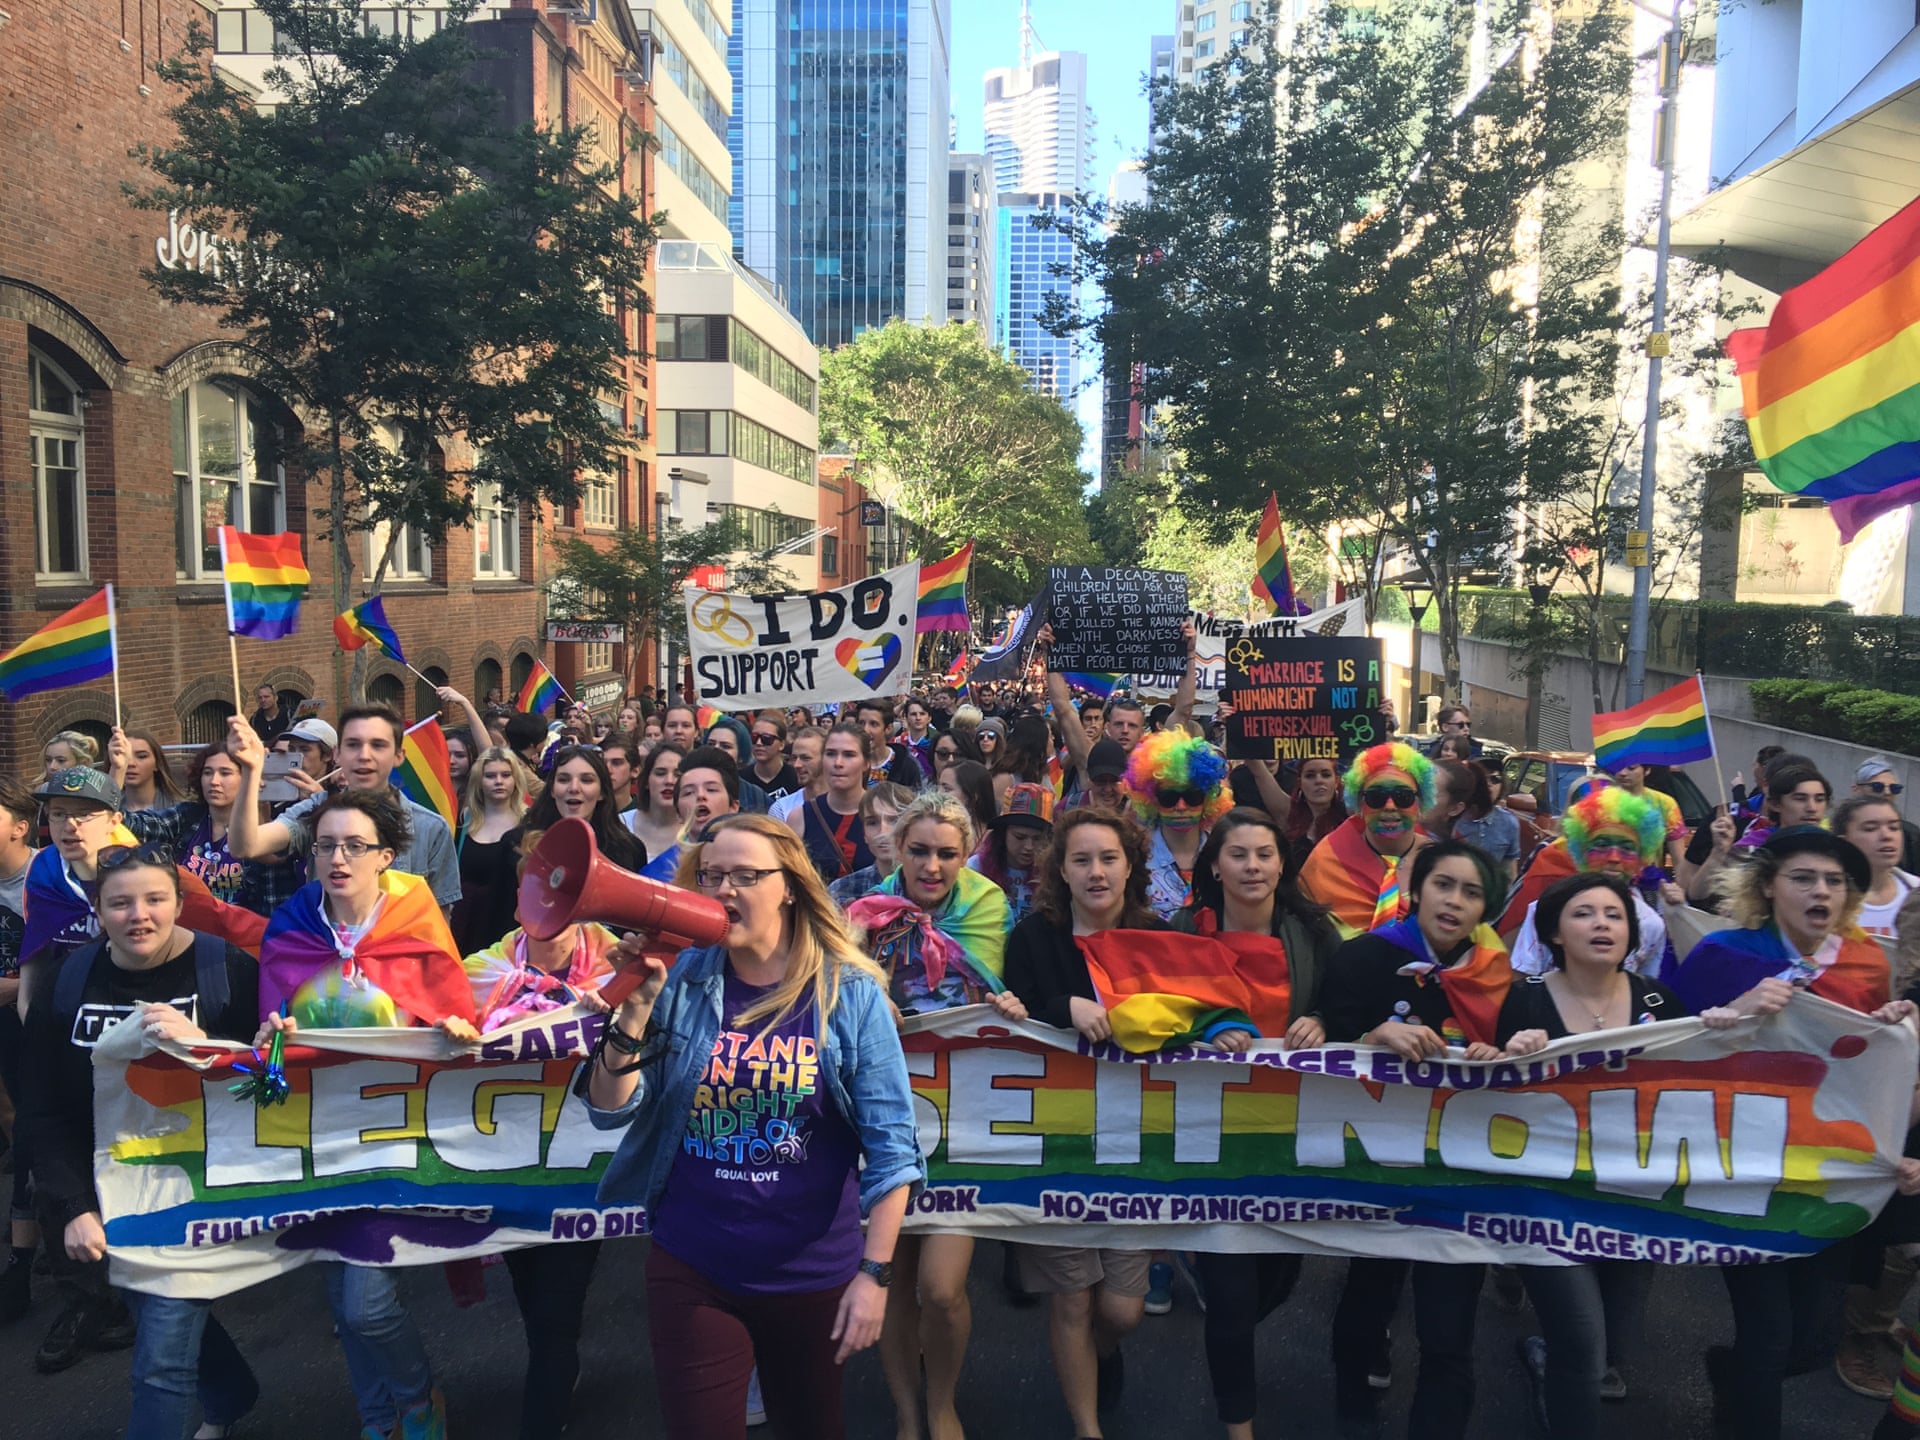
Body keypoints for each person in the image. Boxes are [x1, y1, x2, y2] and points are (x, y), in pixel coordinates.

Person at [581, 814, 924, 1440]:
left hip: (811, 1274)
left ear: (789, 884)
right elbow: (609, 1106)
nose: (723, 889)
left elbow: (893, 1148)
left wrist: (875, 1275)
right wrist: (632, 1012)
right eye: (712, 876)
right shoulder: (684, 978)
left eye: (746, 875)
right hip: (694, 1261)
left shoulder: (849, 995)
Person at [1498, 872, 1783, 1440]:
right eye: (1584, 913)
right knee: (1584, 1340)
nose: (1601, 924)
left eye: (1615, 914)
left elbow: (1702, 1075)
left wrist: (1729, 1020)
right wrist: (1511, 1055)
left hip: (1634, 1198)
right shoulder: (1523, 998)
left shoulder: (1659, 1000)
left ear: (1633, 932)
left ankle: (1544, 1355)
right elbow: (1486, 1098)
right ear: (1554, 930)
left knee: (1614, 1348)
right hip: (1547, 1200)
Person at [255, 790, 473, 1439]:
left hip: (399, 1132)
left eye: (354, 845)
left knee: (368, 1305)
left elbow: (449, 1003)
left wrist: (453, 1026)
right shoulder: (291, 925)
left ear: (385, 855)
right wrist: (275, 1035)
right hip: (319, 1134)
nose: (338, 857)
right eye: (326, 845)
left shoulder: (415, 915)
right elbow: (267, 1045)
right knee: (338, 1290)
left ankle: (416, 1399)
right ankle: (376, 1416)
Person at [15, 845, 262, 1402]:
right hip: (110, 1186)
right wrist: (74, 1205)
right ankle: (231, 1398)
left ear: (180, 903)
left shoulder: (228, 971)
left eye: (155, 899)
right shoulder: (67, 982)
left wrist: (212, 1052)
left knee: (160, 1356)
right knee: (156, 1311)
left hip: (201, 1182)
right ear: (98, 912)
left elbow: (275, 1086)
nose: (139, 915)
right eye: (120, 903)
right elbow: (43, 1107)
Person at [1668, 825, 1891, 1440]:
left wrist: (1899, 1024)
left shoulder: (1867, 963)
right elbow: (1658, 1047)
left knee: (1813, 1344)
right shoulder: (1725, 956)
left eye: (1834, 881)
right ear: (1768, 886)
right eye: (1803, 877)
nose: (1821, 890)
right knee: (1768, 1339)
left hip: (1829, 1176)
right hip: (1744, 1172)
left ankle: (1733, 1373)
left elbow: (1879, 1071)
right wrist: (1733, 1013)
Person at [1318, 840, 1511, 1436]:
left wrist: (1507, 1050)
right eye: (1444, 885)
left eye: (1472, 892)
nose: (1455, 901)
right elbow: (1320, 1032)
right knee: (1369, 1293)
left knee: (1449, 1330)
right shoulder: (1363, 958)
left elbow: (1530, 1047)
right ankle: (1353, 1397)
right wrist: (1372, 1033)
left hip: (1460, 1173)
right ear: (1418, 891)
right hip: (1376, 1162)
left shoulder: (1499, 977)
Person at [842, 793, 1009, 1440]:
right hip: (881, 1115)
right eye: (919, 850)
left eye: (946, 853)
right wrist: (865, 992)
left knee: (941, 1290)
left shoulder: (989, 905)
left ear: (966, 855)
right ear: (896, 849)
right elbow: (836, 986)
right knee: (896, 1277)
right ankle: (910, 1413)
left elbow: (985, 983)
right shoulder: (859, 910)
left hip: (963, 1112)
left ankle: (943, 1400)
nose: (931, 865)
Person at [1171, 807, 1340, 1440]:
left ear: (1281, 863)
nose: (1251, 867)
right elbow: (1154, 1006)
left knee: (1276, 1278)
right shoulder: (1186, 928)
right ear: (1214, 864)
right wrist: (1207, 1029)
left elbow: (1349, 997)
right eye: (1237, 854)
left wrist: (1322, 1018)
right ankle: (1238, 1426)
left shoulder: (1314, 931)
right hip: (1208, 1137)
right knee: (1233, 1297)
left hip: (1293, 1134)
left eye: (1264, 854)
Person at [999, 810, 1165, 1439]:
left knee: (1120, 1311)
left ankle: (1105, 1352)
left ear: (1130, 865)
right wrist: (1056, 1008)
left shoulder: (1158, 935)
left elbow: (1188, 1018)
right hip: (1057, 1144)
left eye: (1109, 859)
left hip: (1135, 1144)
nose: (1096, 873)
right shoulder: (1032, 939)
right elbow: (1007, 1022)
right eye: (1081, 861)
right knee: (1072, 1298)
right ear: (1059, 872)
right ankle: (1087, 1428)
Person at [225, 708, 462, 910]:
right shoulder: (314, 812)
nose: (364, 756)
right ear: (338, 754)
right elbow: (246, 845)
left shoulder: (431, 828)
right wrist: (251, 772)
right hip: (327, 955)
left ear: (399, 755)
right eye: (353, 745)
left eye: (378, 745)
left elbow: (439, 920)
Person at [1508, 786, 1679, 978]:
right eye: (1602, 845)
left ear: (1642, 858)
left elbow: (1645, 988)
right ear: (1582, 850)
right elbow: (1521, 983)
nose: (1614, 858)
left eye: (1627, 848)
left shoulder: (1650, 923)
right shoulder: (1545, 910)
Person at [117, 739, 294, 918]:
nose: (214, 781)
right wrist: (117, 770)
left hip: (240, 939)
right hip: (188, 931)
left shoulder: (266, 831)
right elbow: (129, 823)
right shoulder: (188, 816)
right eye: (207, 772)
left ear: (249, 778)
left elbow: (273, 912)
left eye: (225, 773)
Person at [1299, 743, 1436, 938]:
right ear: (1360, 803)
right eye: (1376, 797)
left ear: (1420, 802)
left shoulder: (1439, 861)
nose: (1389, 806)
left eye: (1403, 796)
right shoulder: (1326, 860)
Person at [1123, 730, 1233, 921]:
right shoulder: (1134, 858)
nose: (1181, 807)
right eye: (1169, 798)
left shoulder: (1224, 855)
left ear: (1208, 799)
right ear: (1151, 800)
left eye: (1192, 797)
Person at [0, 777, 35, 1327]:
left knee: (38, 1127)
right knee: (18, 1124)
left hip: (46, 1022)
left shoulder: (49, 876)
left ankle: (22, 1261)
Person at [451, 746, 534, 955]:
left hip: (510, 925)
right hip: (466, 925)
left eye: (506, 775)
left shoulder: (530, 822)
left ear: (516, 780)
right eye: (490, 776)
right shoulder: (465, 818)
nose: (499, 781)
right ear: (479, 781)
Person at [518, 746, 647, 873]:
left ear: (602, 792)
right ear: (552, 789)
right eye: (563, 780)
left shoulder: (629, 849)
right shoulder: (517, 843)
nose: (574, 788)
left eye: (586, 780)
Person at [793, 723, 874, 885]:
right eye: (830, 754)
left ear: (866, 763)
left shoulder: (884, 814)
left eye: (849, 755)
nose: (838, 763)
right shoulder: (800, 817)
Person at [1834, 793, 1919, 940]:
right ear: (1843, 842)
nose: (1886, 836)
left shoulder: (1915, 891)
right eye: (1871, 828)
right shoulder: (1826, 897)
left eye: (1894, 827)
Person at [973, 782, 1054, 928]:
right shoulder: (975, 869)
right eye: (1019, 837)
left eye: (1037, 839)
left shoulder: (1053, 874)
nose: (1029, 847)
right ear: (1003, 833)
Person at [827, 783, 914, 909]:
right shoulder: (841, 890)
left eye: (894, 820)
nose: (883, 831)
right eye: (872, 823)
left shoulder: (930, 886)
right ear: (864, 834)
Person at [1451, 759, 1520, 882]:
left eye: (1495, 779)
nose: (1489, 784)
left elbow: (1509, 874)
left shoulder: (1509, 823)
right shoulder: (1452, 816)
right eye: (1483, 779)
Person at [624, 744, 687, 878]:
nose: (669, 781)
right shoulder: (619, 825)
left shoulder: (695, 834)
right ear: (646, 780)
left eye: (678, 775)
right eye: (660, 773)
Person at [1609, 761, 1686, 870]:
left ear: (1647, 770)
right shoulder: (1601, 801)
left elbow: (1679, 858)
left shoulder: (1664, 803)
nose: (1623, 773)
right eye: (1618, 767)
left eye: (1631, 768)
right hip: (1609, 876)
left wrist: (1681, 884)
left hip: (1649, 878)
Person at [1854, 756, 1920, 876]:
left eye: (1894, 788)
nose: (1887, 792)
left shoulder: (1911, 834)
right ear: (1856, 790)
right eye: (1877, 787)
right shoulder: (1842, 827)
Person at [676, 745, 744, 839]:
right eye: (689, 792)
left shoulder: (754, 852)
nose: (700, 795)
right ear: (678, 814)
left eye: (711, 789)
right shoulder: (670, 854)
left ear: (733, 806)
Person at [115, 731, 188, 814]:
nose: (131, 763)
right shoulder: (104, 809)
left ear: (157, 763)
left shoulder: (179, 810)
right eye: (124, 756)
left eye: (142, 756)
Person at [856, 699, 923, 789]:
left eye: (873, 724)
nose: (865, 730)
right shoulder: (851, 763)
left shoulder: (907, 766)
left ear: (888, 728)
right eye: (861, 723)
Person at [769, 726, 826, 828]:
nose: (797, 765)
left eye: (806, 758)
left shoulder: (851, 804)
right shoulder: (782, 809)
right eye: (794, 758)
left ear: (826, 758)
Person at [936, 760, 997, 845]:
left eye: (947, 789)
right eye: (938, 787)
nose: (938, 794)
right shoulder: (934, 829)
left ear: (973, 796)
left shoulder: (994, 840)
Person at [748, 712, 802, 803]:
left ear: (782, 744)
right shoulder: (741, 779)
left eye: (767, 738)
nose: (758, 743)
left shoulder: (796, 777)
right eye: (754, 737)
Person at [284, 717, 337, 787]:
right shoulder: (280, 790)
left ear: (327, 755)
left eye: (305, 749)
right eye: (291, 749)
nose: (296, 756)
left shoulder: (341, 793)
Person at [600, 735, 641, 814]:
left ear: (635, 771)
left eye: (616, 763)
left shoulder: (646, 815)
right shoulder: (587, 813)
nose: (608, 770)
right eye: (602, 763)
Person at [899, 697, 936, 782]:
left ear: (929, 718)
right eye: (913, 714)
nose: (918, 718)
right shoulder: (897, 743)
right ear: (906, 717)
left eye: (922, 714)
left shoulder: (936, 743)